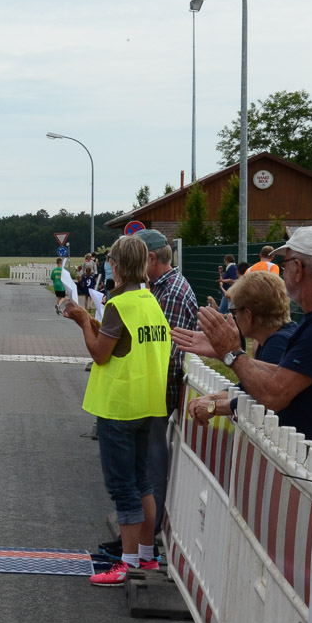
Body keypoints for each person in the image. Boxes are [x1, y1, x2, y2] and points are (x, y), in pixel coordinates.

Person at [171, 225, 312, 521]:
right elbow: (284, 375)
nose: (283, 271)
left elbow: (274, 395)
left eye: (285, 263)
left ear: (298, 269)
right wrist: (227, 354)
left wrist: (232, 353)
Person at [63, 235, 170, 587]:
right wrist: (93, 324)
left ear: (117, 265)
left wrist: (83, 321)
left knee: (123, 488)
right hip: (147, 402)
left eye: (111, 261)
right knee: (143, 482)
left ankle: (125, 563)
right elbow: (123, 343)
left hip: (119, 406)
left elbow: (100, 354)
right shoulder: (149, 300)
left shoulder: (118, 303)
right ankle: (147, 556)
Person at [134, 228, 200, 541]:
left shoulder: (170, 292)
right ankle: (145, 531)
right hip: (155, 390)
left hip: (157, 393)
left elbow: (168, 353)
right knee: (149, 462)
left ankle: (148, 534)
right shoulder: (163, 287)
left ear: (150, 258)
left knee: (152, 464)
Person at [183, 271, 297, 423]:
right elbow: (247, 387)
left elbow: (262, 398)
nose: (233, 317)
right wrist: (212, 397)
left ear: (249, 315)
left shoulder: (277, 343)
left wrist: (213, 407)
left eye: (234, 311)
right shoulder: (276, 338)